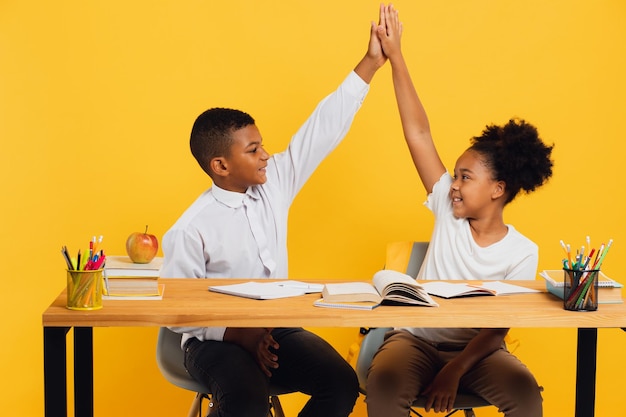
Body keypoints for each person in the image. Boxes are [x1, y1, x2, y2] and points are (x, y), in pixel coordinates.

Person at [159, 7, 390, 417]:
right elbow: (178, 314)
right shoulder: (191, 228)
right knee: (245, 397)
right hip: (213, 341)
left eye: (262, 144)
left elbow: (323, 127)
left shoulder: (275, 183)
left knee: (339, 385)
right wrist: (240, 335)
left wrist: (371, 62)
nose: (267, 155)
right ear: (221, 166)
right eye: (253, 151)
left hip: (276, 327)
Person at [366, 5, 553, 417]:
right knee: (382, 391)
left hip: (477, 352)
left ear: (497, 190)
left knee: (526, 397)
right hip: (413, 340)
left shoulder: (521, 251)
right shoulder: (447, 210)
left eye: (465, 177)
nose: (453, 184)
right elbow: (418, 131)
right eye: (455, 175)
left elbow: (497, 329)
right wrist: (396, 56)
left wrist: (455, 369)